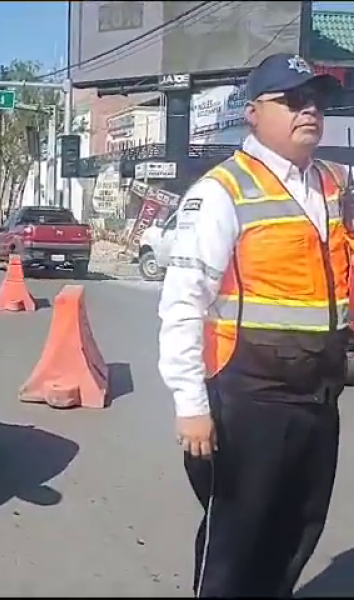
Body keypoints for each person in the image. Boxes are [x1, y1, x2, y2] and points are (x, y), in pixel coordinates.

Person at [158, 53, 350, 598]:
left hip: (317, 395)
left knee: (297, 529)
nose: (307, 110)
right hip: (247, 397)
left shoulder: (332, 186)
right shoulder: (223, 191)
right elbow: (182, 303)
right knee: (235, 544)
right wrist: (191, 406)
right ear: (253, 112)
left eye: (314, 99)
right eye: (290, 100)